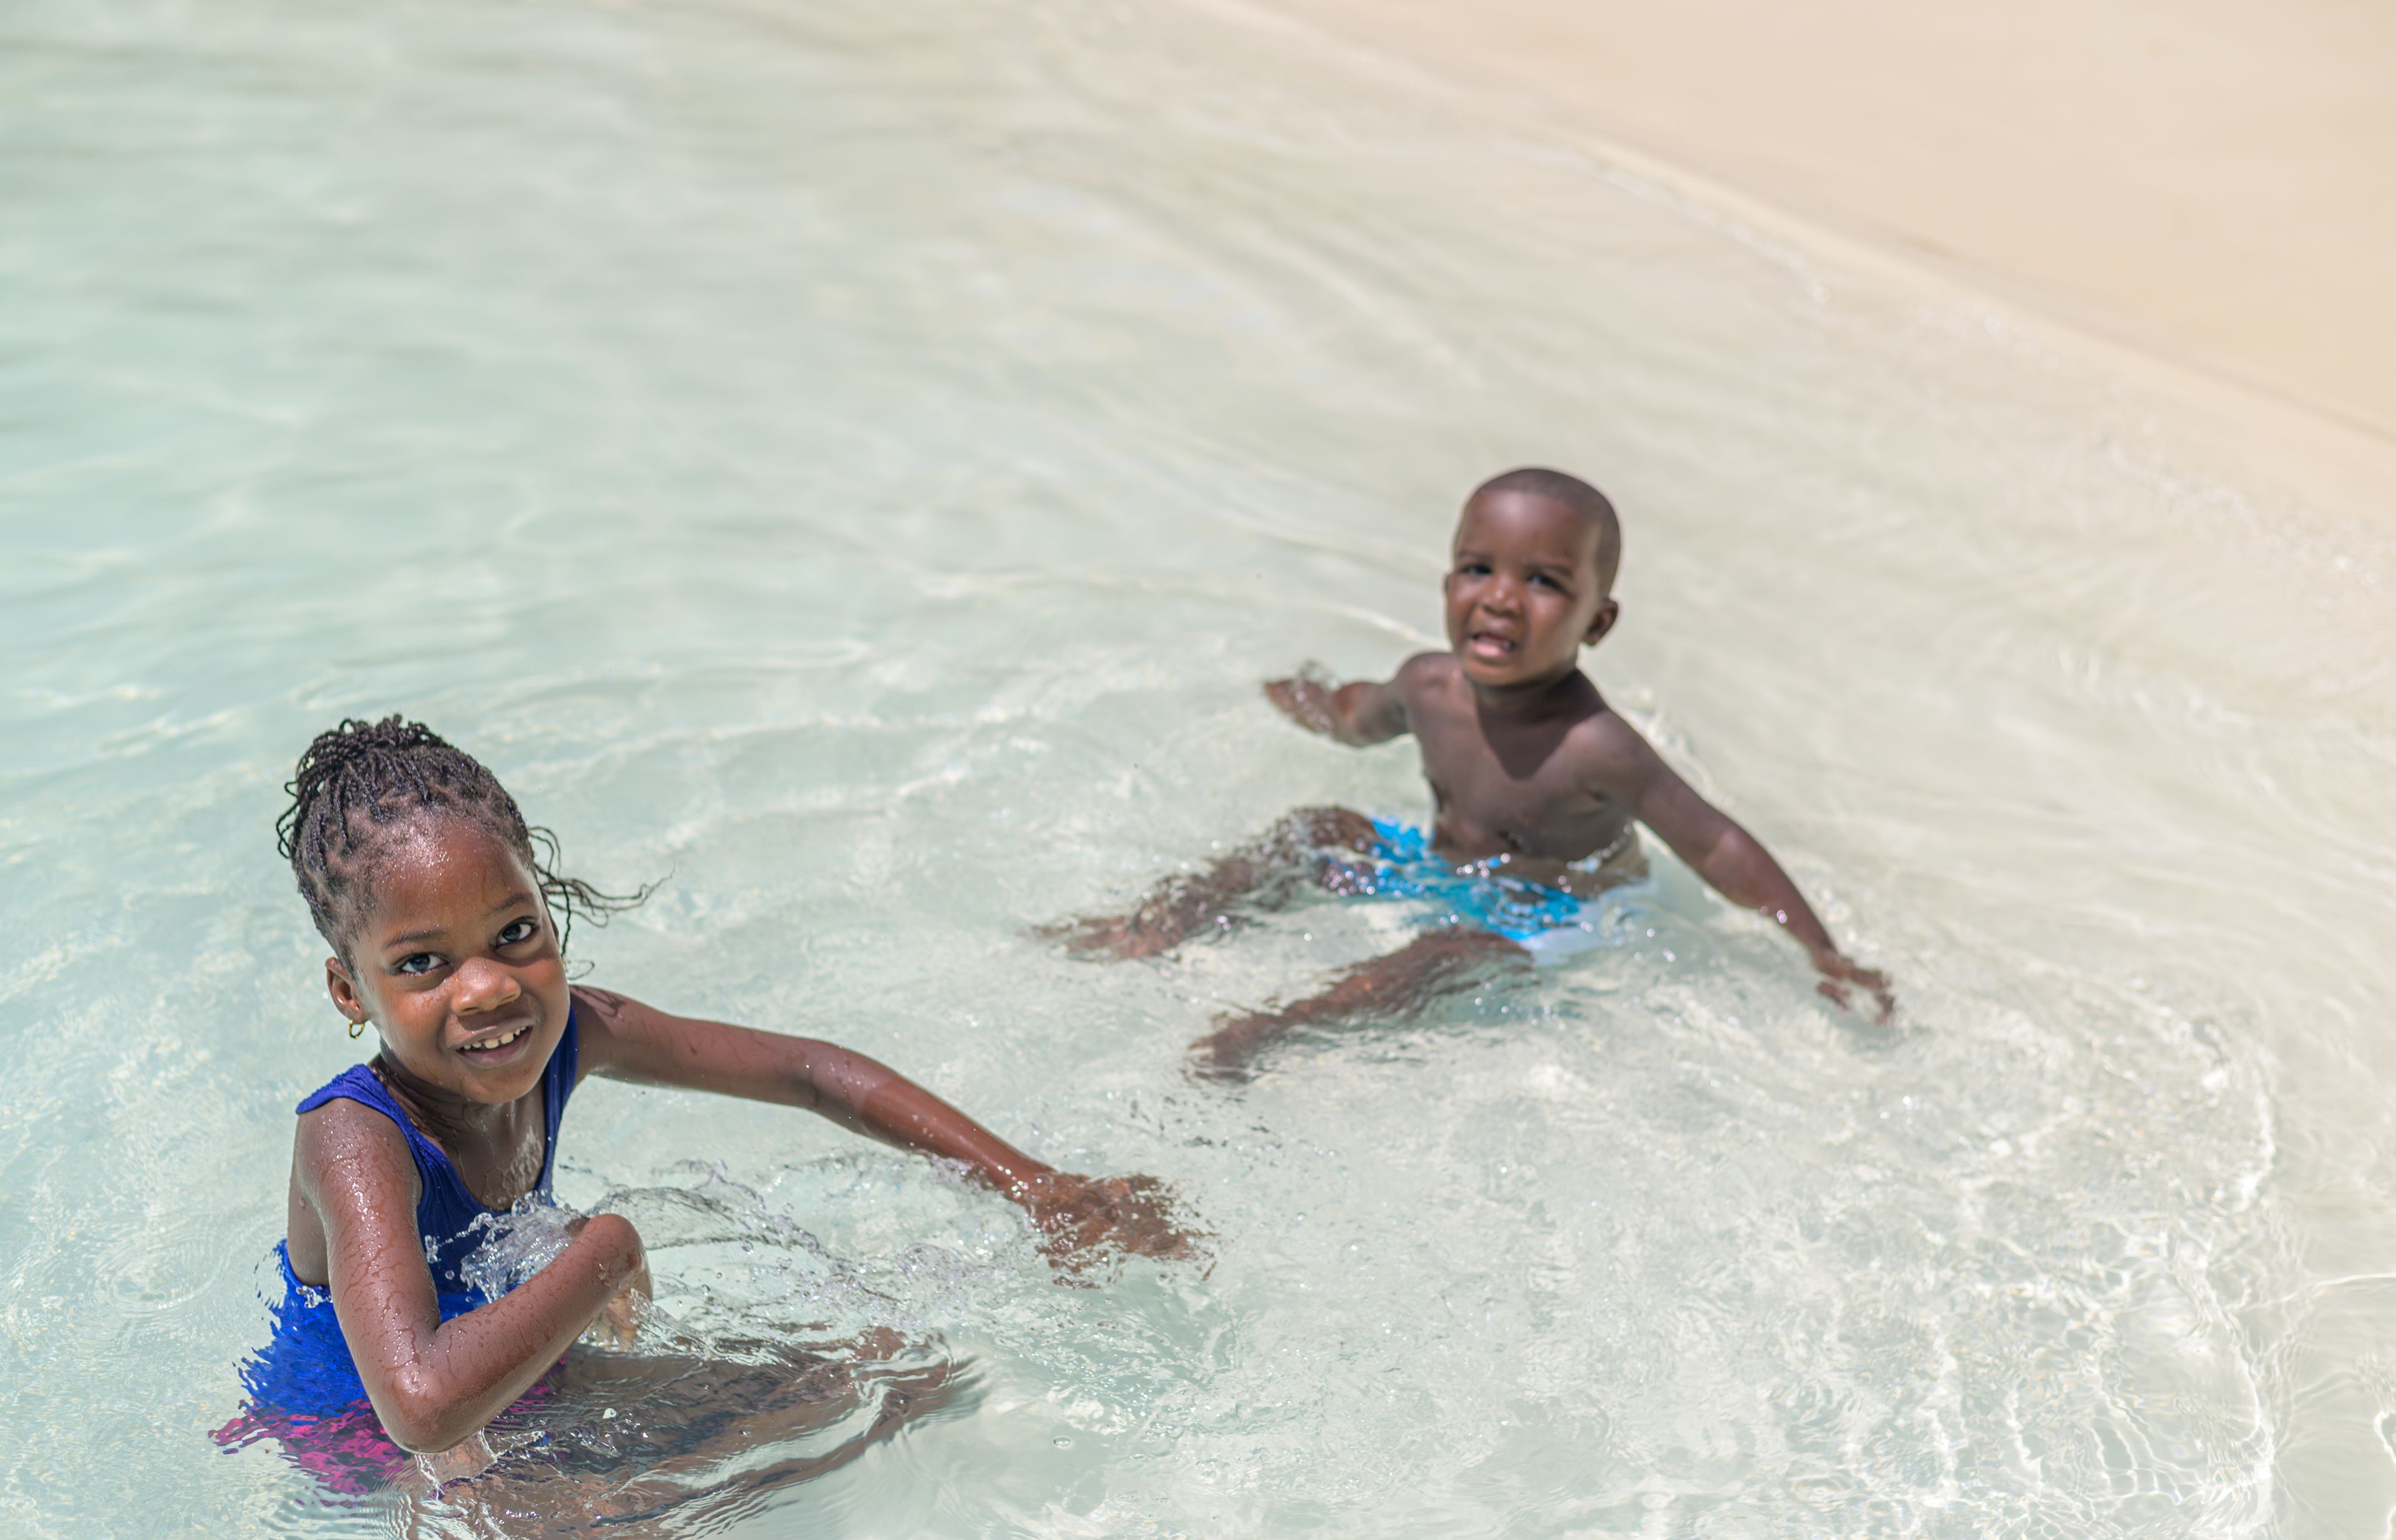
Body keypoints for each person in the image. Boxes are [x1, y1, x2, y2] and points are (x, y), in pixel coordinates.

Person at [228, 716, 1189, 1491]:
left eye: (516, 931)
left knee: (890, 1381)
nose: (488, 988)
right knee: (604, 1521)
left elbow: (808, 1072)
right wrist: (605, 1253)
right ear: (351, 993)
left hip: (518, 1371)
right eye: (423, 963)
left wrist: (1035, 1186)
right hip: (362, 1431)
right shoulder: (354, 1138)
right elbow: (421, 1403)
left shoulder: (571, 1033)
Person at [1044, 467, 1892, 1073]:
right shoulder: (1426, 686)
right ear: (1448, 580)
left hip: (1550, 914)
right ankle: (1151, 926)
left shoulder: (1597, 746)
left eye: (1545, 581)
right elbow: (1350, 719)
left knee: (1453, 950)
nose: (1499, 597)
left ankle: (1281, 1032)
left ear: (1599, 622)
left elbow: (1715, 846)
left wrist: (1823, 953)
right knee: (1319, 829)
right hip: (1442, 866)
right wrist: (1299, 693)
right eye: (1478, 569)